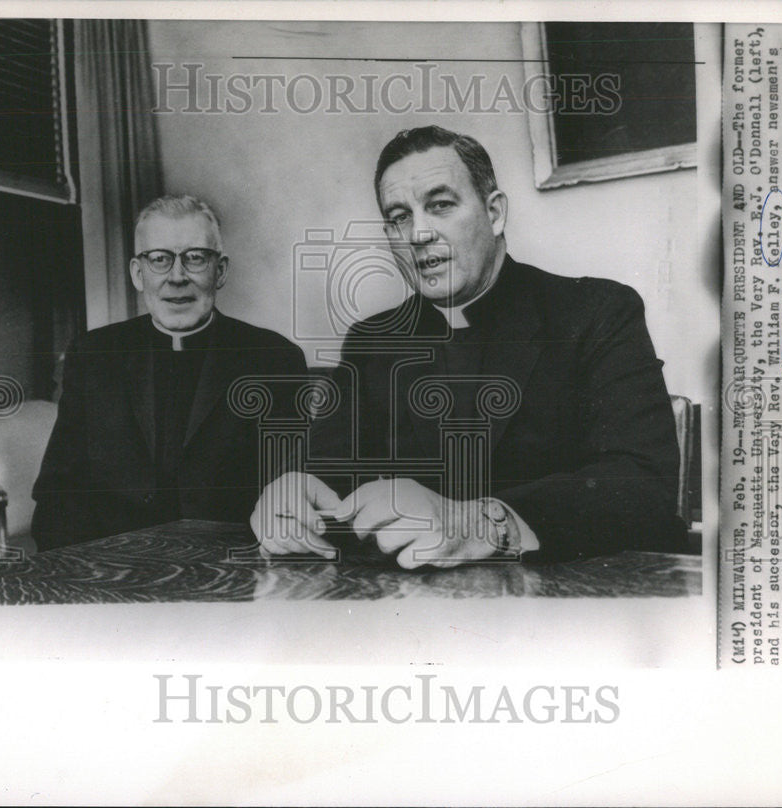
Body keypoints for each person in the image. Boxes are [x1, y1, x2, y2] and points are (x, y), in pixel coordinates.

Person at [251, 126, 687, 568]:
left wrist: (482, 523)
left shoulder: (596, 311)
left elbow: (641, 482)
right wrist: (294, 495)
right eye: (399, 216)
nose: (418, 233)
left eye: (440, 205)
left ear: (494, 213)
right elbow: (329, 472)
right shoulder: (372, 340)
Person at [32, 195, 307, 549]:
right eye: (159, 259)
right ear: (137, 273)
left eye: (195, 258)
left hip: (232, 570)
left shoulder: (274, 359)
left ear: (220, 271)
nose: (177, 277)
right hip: (117, 570)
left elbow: (289, 491)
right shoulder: (94, 355)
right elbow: (59, 494)